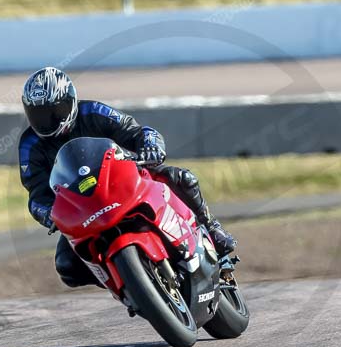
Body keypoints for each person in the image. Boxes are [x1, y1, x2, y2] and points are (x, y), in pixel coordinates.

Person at [18, 67, 237, 288]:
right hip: (82, 207)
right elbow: (36, 194)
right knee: (67, 267)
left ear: (70, 101)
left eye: (54, 111)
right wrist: (48, 213)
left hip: (124, 178)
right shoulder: (29, 145)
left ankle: (211, 228)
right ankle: (128, 285)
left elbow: (136, 131)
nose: (47, 120)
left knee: (181, 178)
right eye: (38, 114)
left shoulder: (93, 111)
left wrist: (150, 147)